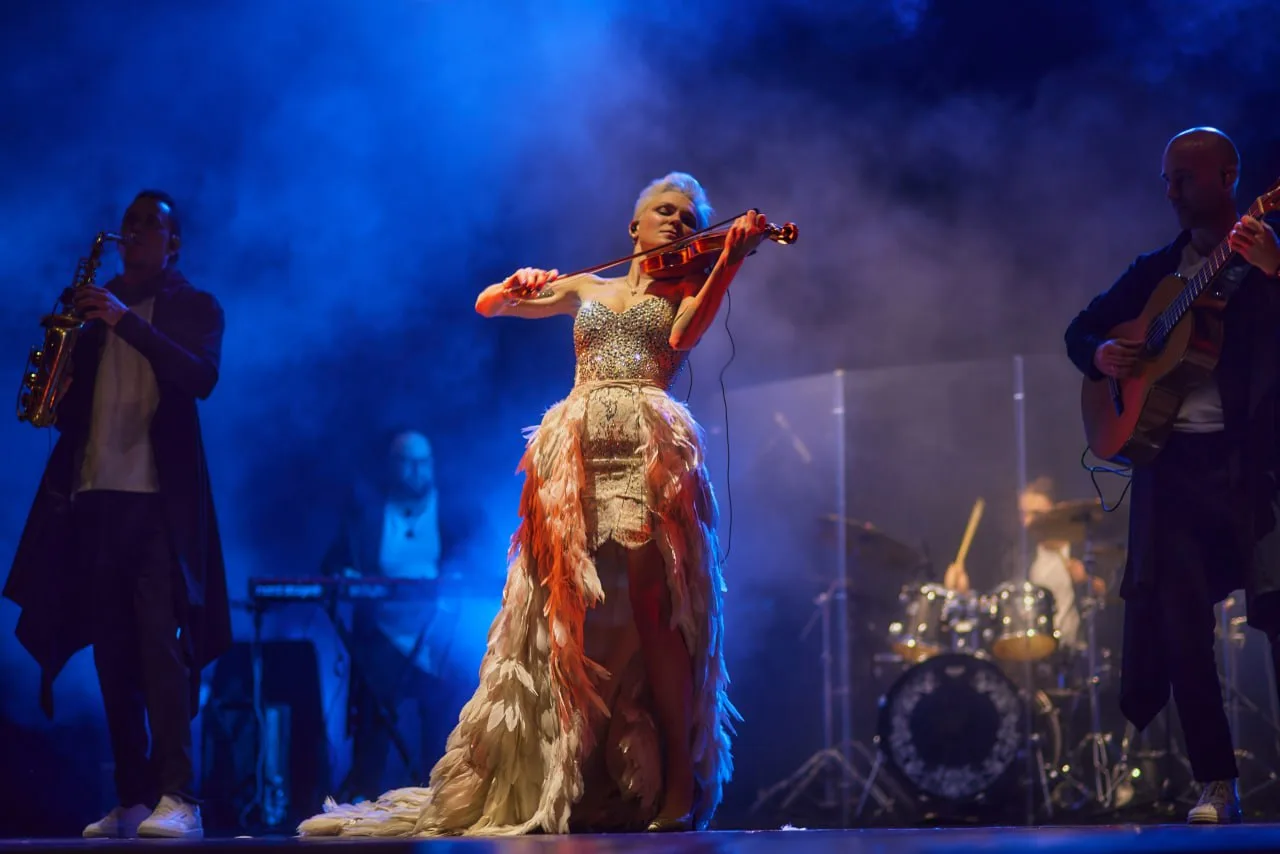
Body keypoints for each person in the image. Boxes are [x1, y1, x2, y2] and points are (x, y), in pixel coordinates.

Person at [299, 173, 765, 836]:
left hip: (646, 449)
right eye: (665, 211)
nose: (678, 223)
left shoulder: (687, 286)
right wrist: (516, 283)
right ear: (634, 226)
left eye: (690, 219)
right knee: (568, 612)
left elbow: (684, 339)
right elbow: (489, 305)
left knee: (655, 609)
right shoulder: (587, 287)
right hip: (576, 453)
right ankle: (571, 773)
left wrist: (729, 262)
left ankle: (679, 785)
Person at [1064, 127, 1280, 824]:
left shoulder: (1264, 256)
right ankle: (1216, 782)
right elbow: (1079, 331)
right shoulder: (1156, 269)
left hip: (1253, 466)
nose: (1171, 192)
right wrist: (1103, 353)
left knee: (1279, 612)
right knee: (1183, 629)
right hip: (1175, 470)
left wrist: (1276, 272)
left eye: (1182, 178)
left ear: (1227, 178)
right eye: (1166, 179)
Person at [3, 190, 230, 839]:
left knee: (161, 651)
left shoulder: (194, 306)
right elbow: (71, 416)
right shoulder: (95, 314)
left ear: (173, 243)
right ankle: (132, 798)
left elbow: (201, 377)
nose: (132, 233)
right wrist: (61, 373)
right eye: (128, 223)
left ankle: (179, 796)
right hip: (94, 497)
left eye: (148, 225)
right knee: (113, 656)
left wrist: (124, 321)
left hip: (158, 503)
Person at [321, 429, 458, 799]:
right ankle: (363, 796)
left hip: (437, 635)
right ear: (391, 465)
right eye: (407, 462)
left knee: (448, 705)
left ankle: (443, 796)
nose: (416, 471)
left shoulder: (453, 512)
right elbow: (332, 564)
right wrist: (347, 574)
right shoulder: (367, 514)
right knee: (372, 704)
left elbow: (482, 560)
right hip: (383, 633)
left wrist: (458, 579)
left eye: (423, 462)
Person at [943, 477, 1107, 651]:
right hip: (1032, 651)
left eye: (1036, 514)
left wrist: (1085, 580)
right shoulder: (1019, 556)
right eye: (1024, 514)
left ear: (1058, 511)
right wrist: (964, 595)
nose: (1027, 522)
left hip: (1075, 651)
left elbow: (1110, 597)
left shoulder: (1082, 550)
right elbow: (998, 607)